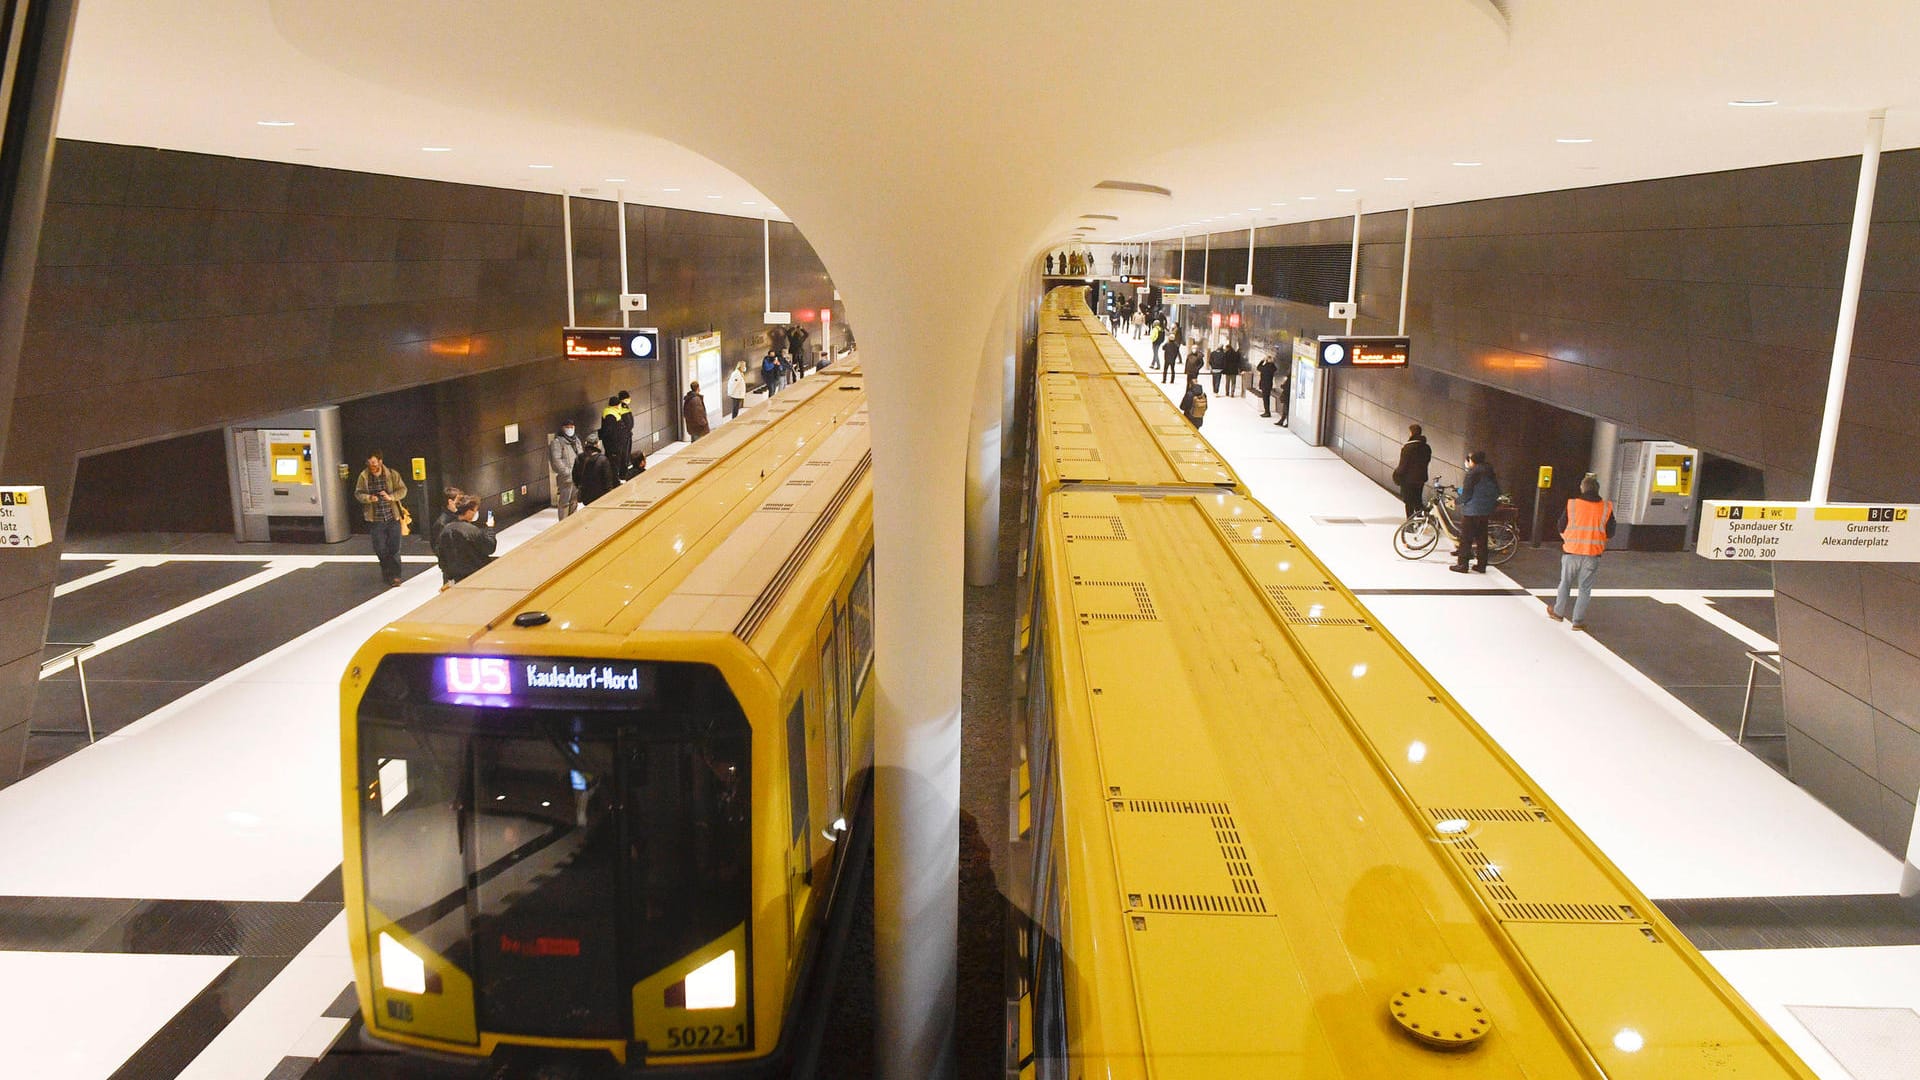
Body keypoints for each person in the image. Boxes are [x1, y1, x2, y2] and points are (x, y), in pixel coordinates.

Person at [1549, 475, 1616, 630]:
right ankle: (1577, 622)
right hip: (1593, 554)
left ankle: (1558, 613)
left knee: (1565, 583)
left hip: (1571, 552)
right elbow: (1611, 532)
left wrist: (1567, 538)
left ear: (1582, 488)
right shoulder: (1606, 508)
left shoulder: (1572, 505)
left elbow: (1561, 526)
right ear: (1598, 490)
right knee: (1585, 589)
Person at [353, 452, 409, 587]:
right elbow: (358, 493)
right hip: (375, 519)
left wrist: (391, 497)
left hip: (392, 516)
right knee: (380, 549)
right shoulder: (364, 476)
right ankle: (387, 572)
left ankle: (395, 576)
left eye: (375, 464)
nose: (373, 467)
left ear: (380, 461)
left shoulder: (392, 474)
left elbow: (403, 490)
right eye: (370, 464)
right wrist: (369, 498)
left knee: (394, 548)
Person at [1449, 450, 1500, 574]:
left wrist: (1455, 502)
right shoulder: (1490, 472)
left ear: (1473, 461)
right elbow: (1497, 490)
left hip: (1472, 511)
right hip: (1485, 510)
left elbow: (1467, 494)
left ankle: (1463, 565)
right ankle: (1481, 565)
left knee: (1466, 538)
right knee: (1482, 538)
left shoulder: (1473, 473)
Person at [434, 494, 497, 586]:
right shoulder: (472, 530)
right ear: (468, 512)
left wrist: (449, 578)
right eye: (475, 510)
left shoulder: (445, 530)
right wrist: (490, 529)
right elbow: (490, 548)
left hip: (455, 578)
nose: (476, 513)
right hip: (476, 576)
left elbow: (441, 557)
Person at [1391, 424, 1433, 519]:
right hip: (1421, 479)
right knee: (1418, 500)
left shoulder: (1408, 448)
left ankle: (1410, 524)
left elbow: (1403, 466)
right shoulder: (1426, 448)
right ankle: (1420, 520)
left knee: (1409, 502)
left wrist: (1396, 476)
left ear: (1411, 433)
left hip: (1408, 480)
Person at [571, 436, 619, 505]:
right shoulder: (603, 460)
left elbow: (575, 477)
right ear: (597, 444)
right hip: (600, 496)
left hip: (586, 496)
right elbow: (607, 480)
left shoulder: (579, 458)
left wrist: (581, 487)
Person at [549, 420, 582, 519]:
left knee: (574, 501)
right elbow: (556, 460)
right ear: (563, 428)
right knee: (565, 502)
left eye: (572, 427)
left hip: (577, 476)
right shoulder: (557, 442)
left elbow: (581, 455)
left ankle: (572, 522)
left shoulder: (576, 440)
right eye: (568, 427)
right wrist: (567, 472)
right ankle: (563, 524)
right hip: (566, 478)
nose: (570, 429)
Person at [599, 396, 629, 479]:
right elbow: (610, 433)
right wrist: (616, 447)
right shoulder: (610, 415)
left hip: (617, 446)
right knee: (614, 466)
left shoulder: (612, 412)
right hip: (614, 447)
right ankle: (615, 483)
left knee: (617, 464)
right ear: (616, 405)